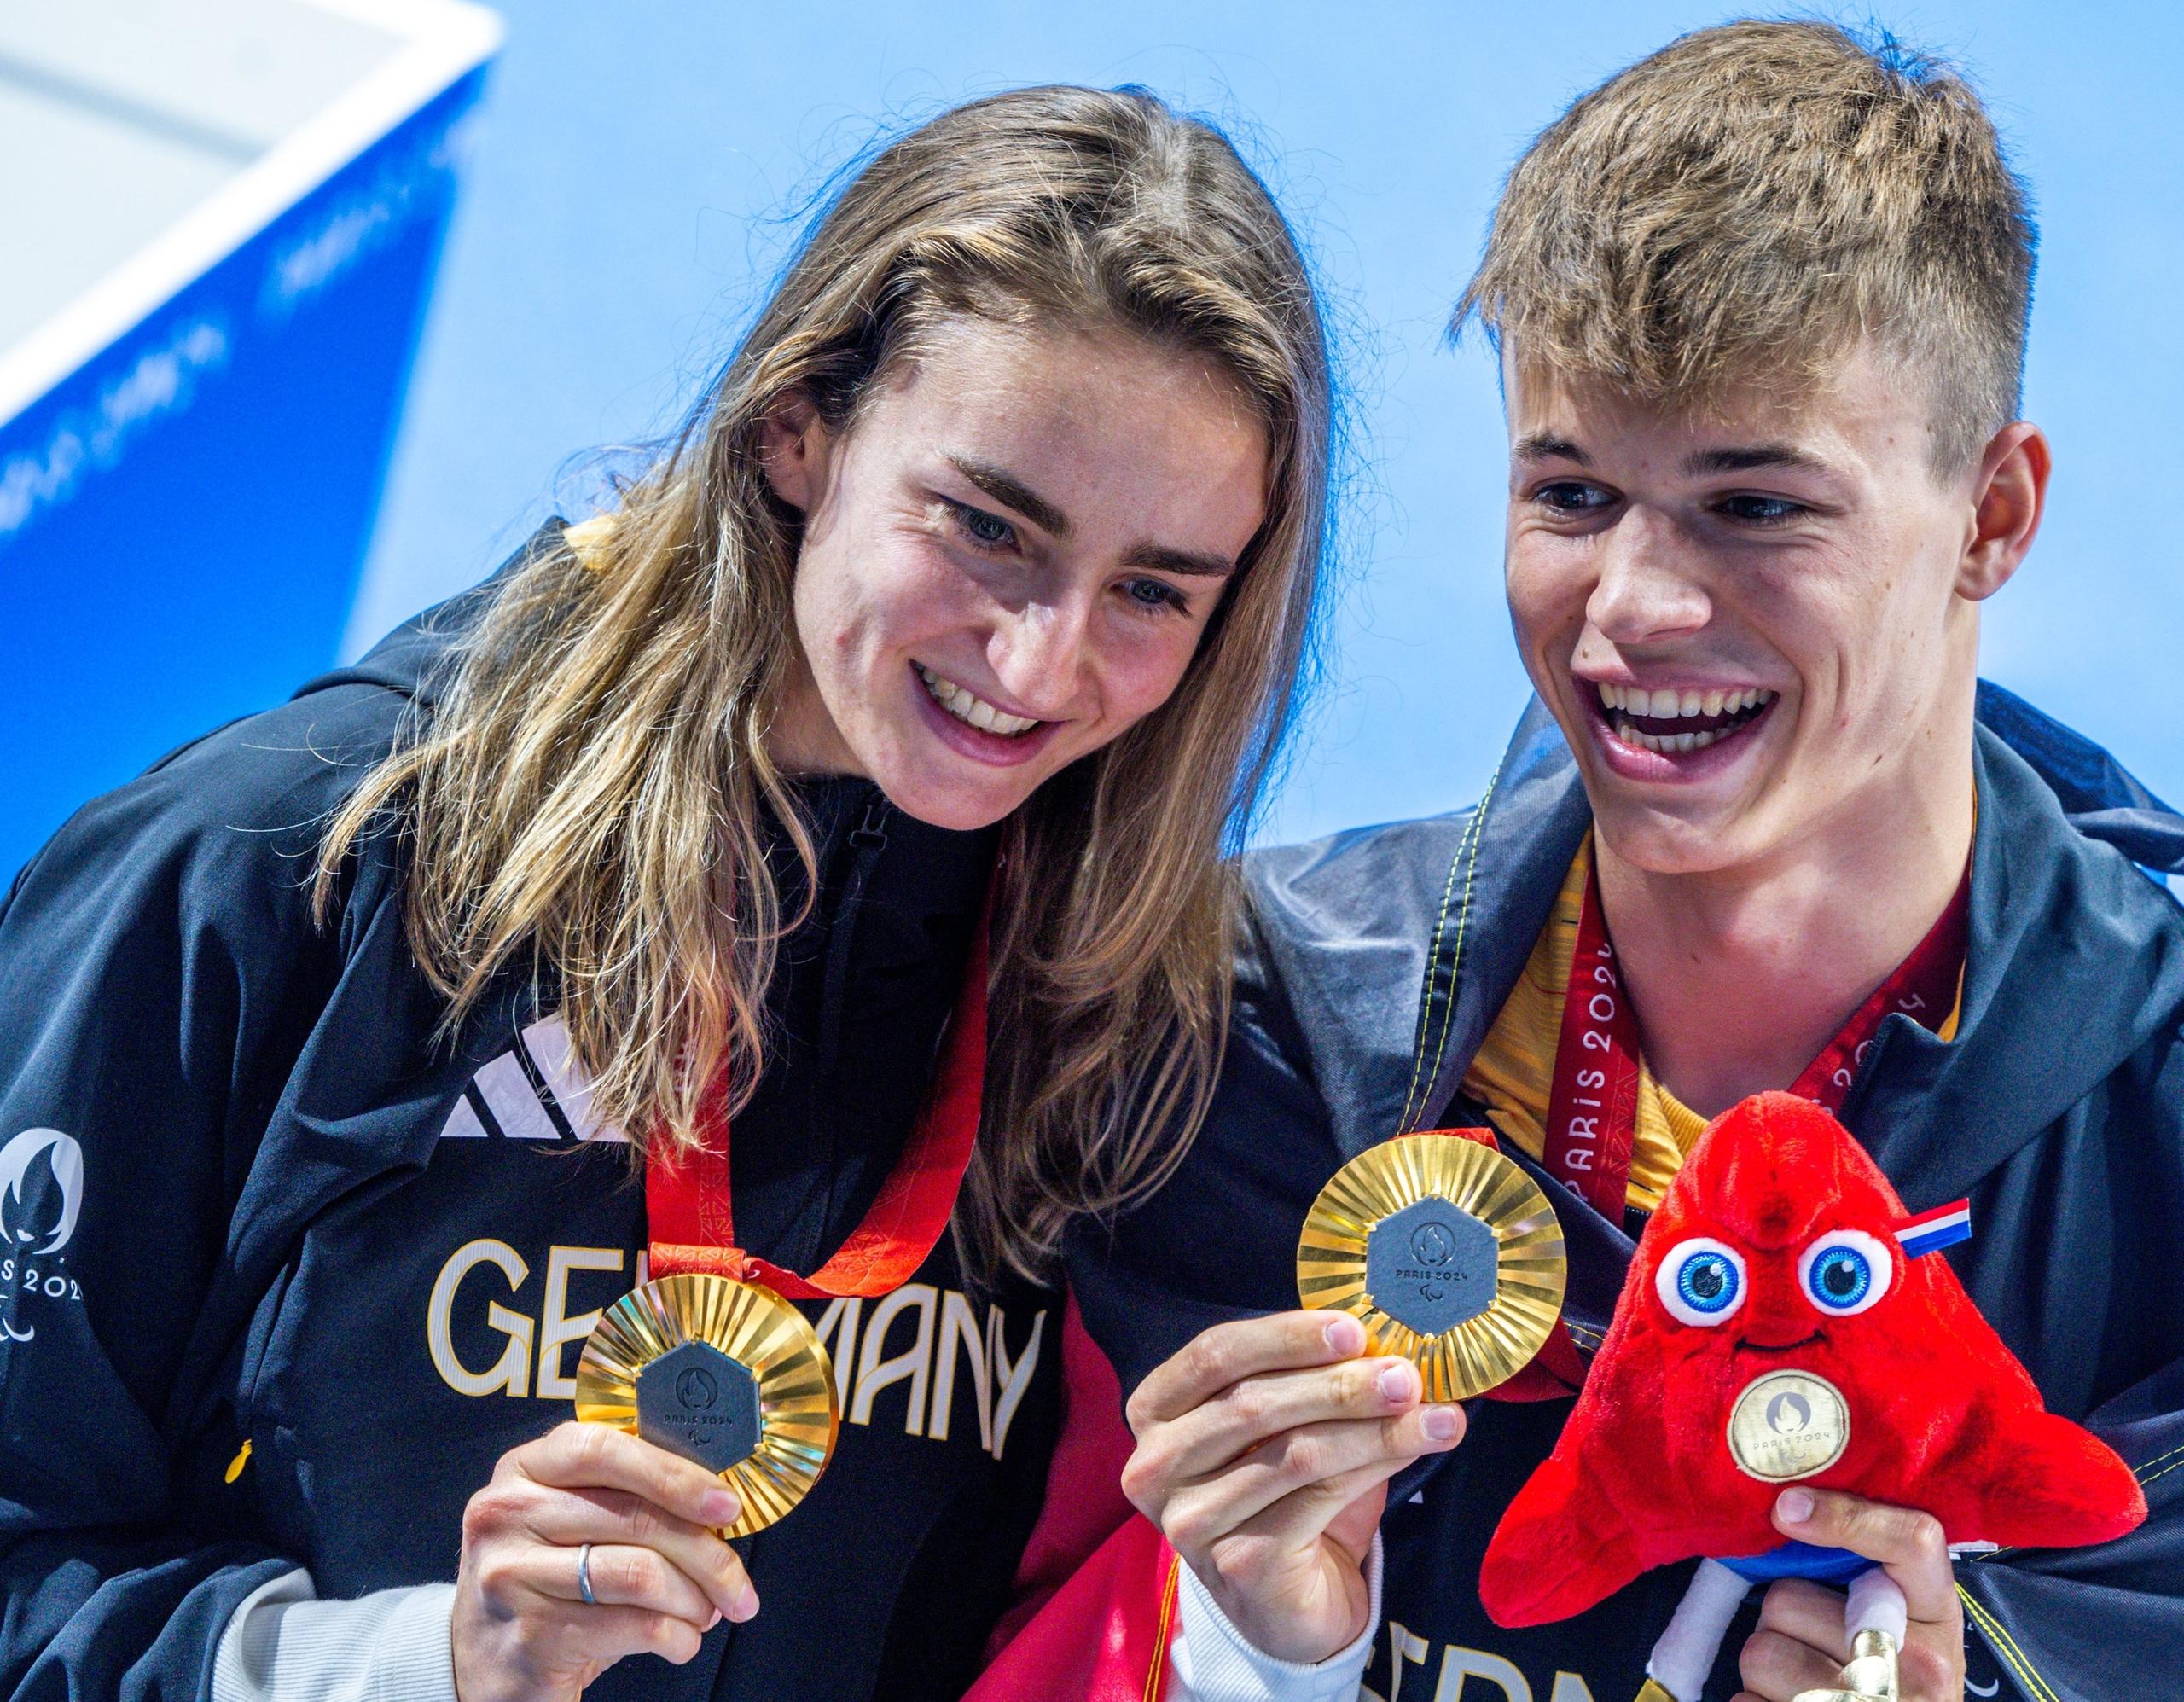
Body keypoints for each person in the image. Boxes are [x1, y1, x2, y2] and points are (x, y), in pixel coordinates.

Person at [0, 86, 1339, 1702]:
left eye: (1151, 590)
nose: (1042, 660)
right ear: (796, 429)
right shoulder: (290, 861)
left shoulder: (1132, 994)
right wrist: (421, 1664)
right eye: (988, 527)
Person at [1066, 23, 2184, 1702]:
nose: (1637, 608)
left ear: (1989, 519)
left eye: (1754, 507)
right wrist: (1262, 1653)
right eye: (1573, 493)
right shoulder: (1259, 1023)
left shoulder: (2158, 1116)